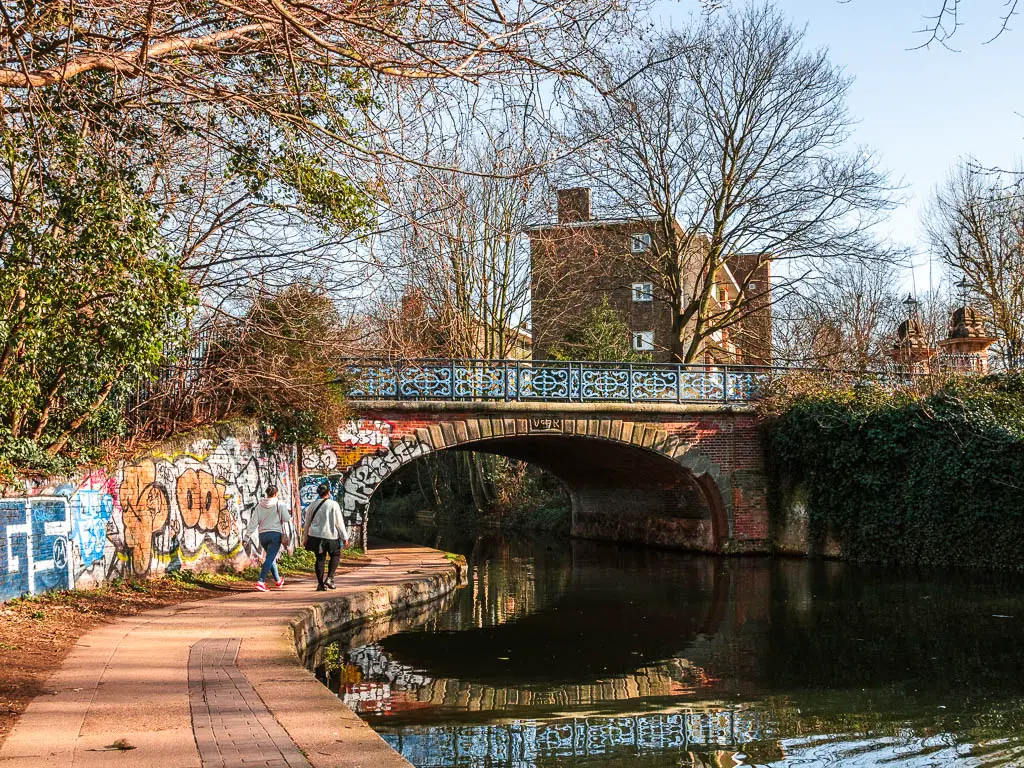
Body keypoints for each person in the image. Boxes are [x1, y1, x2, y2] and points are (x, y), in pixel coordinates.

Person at [302, 484, 349, 591]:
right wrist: (344, 537)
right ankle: (330, 578)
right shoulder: (334, 504)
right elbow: (339, 523)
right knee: (335, 555)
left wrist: (305, 538)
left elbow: (307, 523)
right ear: (328, 492)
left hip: (315, 536)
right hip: (331, 536)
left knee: (320, 559)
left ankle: (320, 584)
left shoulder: (312, 505)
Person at [253, 486, 291, 592]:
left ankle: (278, 580)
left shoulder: (260, 505)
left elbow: (253, 522)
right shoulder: (279, 504)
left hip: (263, 536)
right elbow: (286, 518)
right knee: (270, 558)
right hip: (275, 535)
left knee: (271, 557)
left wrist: (247, 537)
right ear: (276, 493)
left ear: (267, 494)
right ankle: (260, 581)